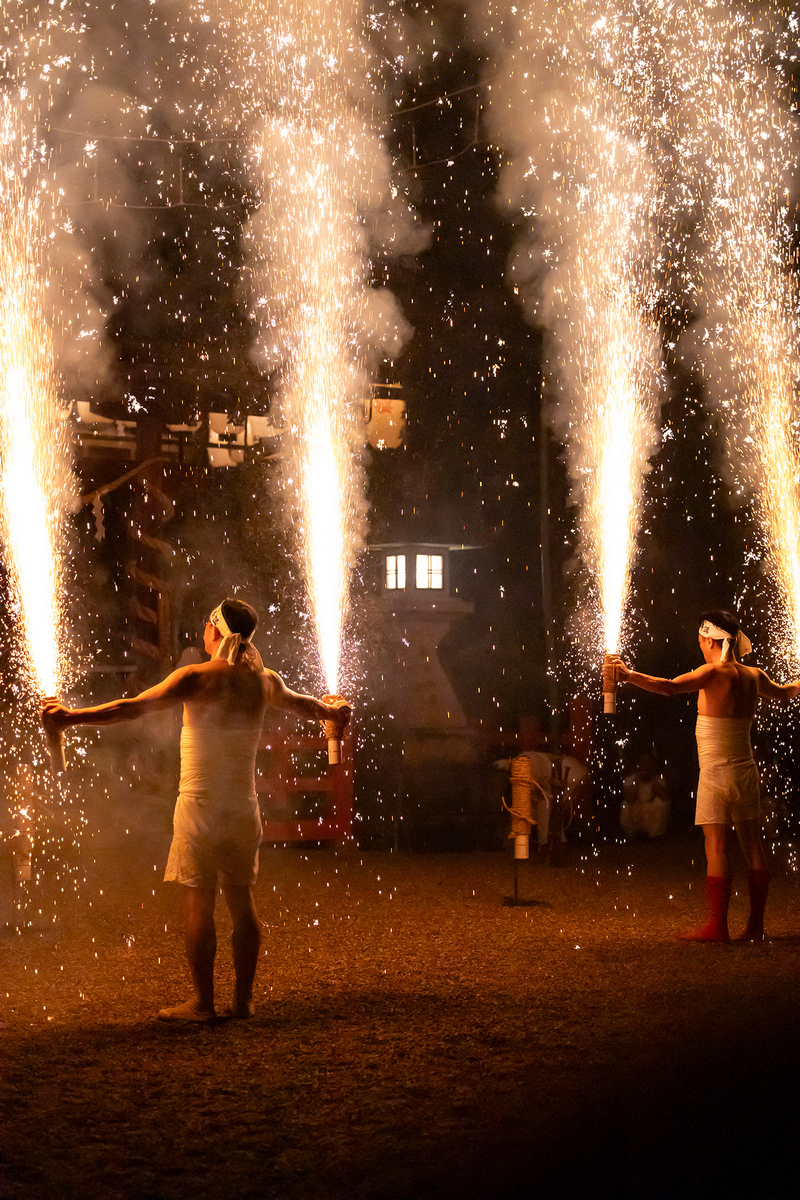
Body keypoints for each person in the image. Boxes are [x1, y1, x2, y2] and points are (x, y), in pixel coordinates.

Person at [42, 598, 350, 1022]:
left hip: (200, 808)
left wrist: (69, 718)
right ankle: (243, 1002)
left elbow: (128, 708)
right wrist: (333, 713)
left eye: (207, 623)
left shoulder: (194, 677)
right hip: (243, 809)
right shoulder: (266, 682)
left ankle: (204, 1004)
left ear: (217, 631)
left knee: (198, 905)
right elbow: (311, 707)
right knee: (242, 902)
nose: (202, 629)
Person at [606, 609, 800, 942]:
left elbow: (668, 688)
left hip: (716, 774)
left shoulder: (711, 673)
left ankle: (717, 926)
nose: (699, 644)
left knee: (716, 846)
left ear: (710, 638)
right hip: (746, 771)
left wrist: (628, 675)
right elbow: (786, 693)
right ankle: (755, 927)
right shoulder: (755, 675)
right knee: (753, 846)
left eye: (700, 639)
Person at [621, 751, 670, 839]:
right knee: (625, 805)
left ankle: (656, 835)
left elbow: (664, 797)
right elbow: (630, 800)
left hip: (650, 810)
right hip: (637, 809)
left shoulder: (659, 779)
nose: (646, 766)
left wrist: (652, 780)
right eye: (643, 763)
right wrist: (637, 780)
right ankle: (632, 833)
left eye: (648, 763)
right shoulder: (630, 780)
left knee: (661, 804)